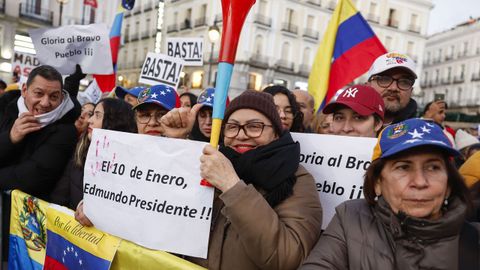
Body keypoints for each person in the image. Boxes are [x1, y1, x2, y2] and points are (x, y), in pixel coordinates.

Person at [162, 90, 323, 269]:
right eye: (232, 126)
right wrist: (178, 144)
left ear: (276, 133)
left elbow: (288, 258)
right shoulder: (210, 165)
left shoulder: (297, 179)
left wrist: (232, 187)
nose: (240, 135)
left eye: (254, 126)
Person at [301, 118, 478, 270]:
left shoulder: (475, 239)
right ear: (378, 183)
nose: (420, 182)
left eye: (433, 167)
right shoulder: (350, 219)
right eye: (403, 167)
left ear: (448, 182)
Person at [51, 98, 137, 210]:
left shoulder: (131, 168)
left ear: (114, 122)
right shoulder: (80, 151)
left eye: (97, 115)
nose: (89, 120)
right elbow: (60, 195)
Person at [367, 52, 418, 126]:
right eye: (384, 79)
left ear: (411, 91)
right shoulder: (346, 128)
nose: (393, 88)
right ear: (368, 86)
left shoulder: (422, 132)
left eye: (404, 82)